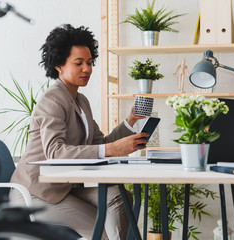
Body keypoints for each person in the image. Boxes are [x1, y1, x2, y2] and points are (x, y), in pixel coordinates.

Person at [9, 24, 149, 240]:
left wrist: (130, 122)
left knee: (119, 197)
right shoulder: (52, 99)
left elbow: (100, 143)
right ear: (59, 66)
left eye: (90, 62)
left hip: (63, 188)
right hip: (37, 192)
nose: (87, 69)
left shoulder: (81, 101)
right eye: (79, 63)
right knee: (101, 228)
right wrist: (111, 149)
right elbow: (55, 152)